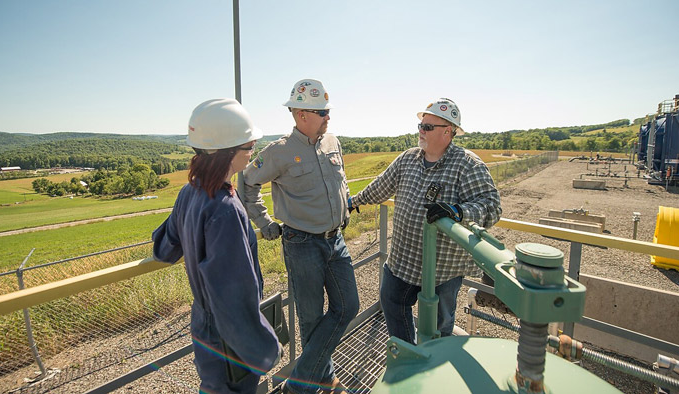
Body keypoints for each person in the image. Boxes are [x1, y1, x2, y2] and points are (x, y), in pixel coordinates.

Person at [152, 98, 281, 393]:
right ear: (227, 153)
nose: (252, 153)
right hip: (228, 337)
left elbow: (164, 249)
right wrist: (265, 349)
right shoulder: (225, 208)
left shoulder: (190, 192)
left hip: (203, 325)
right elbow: (233, 295)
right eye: (248, 147)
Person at [349, 98, 501, 345]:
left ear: (448, 132)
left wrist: (457, 211)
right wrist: (353, 201)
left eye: (428, 127)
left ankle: (433, 367)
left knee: (439, 327)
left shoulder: (468, 165)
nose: (421, 131)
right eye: (420, 125)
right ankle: (408, 355)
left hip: (442, 270)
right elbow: (381, 187)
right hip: (402, 262)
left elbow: (492, 207)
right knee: (392, 303)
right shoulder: (408, 159)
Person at [242, 79, 359, 394]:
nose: (328, 117)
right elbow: (247, 184)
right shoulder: (279, 152)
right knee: (310, 319)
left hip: (336, 240)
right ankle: (323, 380)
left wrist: (344, 208)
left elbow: (342, 180)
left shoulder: (332, 142)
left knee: (348, 306)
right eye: (322, 111)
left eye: (328, 110)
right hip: (301, 243)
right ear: (301, 114)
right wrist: (264, 222)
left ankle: (298, 386)